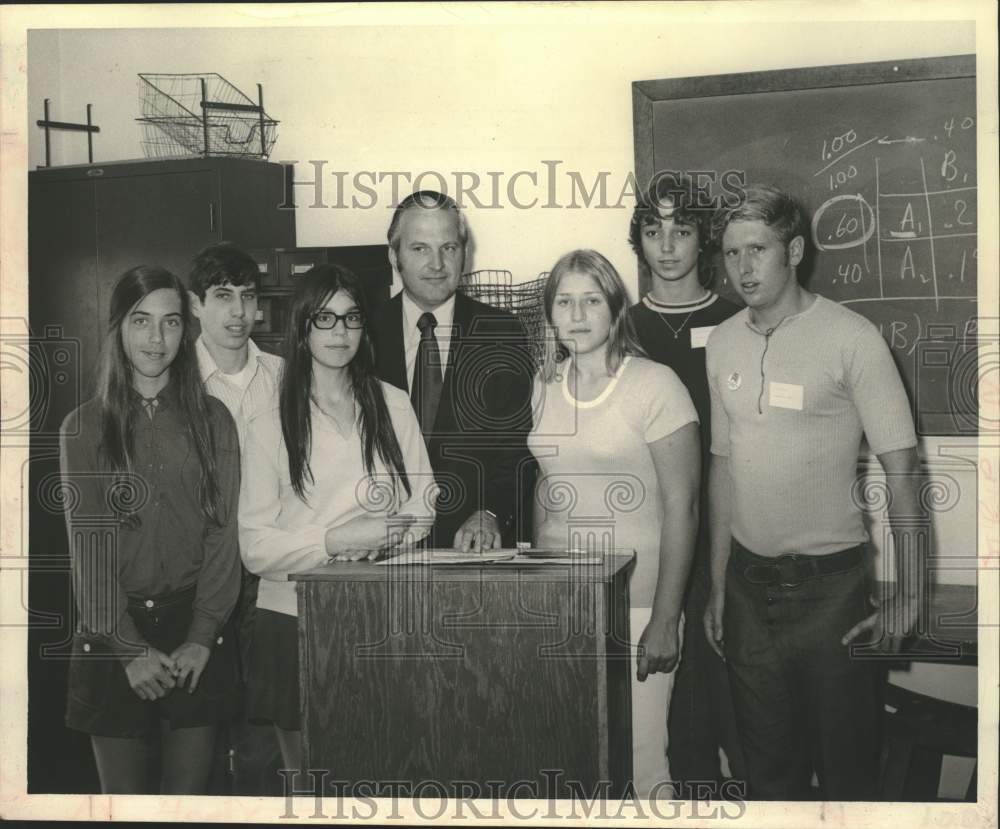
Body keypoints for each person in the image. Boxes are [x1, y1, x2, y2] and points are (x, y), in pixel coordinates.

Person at [704, 185, 924, 800]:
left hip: (832, 594)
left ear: (794, 250)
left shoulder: (852, 337)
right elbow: (723, 466)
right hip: (748, 593)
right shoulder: (721, 343)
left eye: (758, 249)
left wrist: (909, 594)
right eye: (730, 253)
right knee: (768, 781)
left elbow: (904, 472)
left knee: (850, 778)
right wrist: (719, 584)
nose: (743, 267)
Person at [238, 264, 436, 771]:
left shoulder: (392, 403)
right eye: (324, 319)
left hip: (382, 611)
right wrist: (334, 539)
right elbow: (255, 546)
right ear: (302, 328)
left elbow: (423, 505)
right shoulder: (268, 421)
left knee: (384, 773)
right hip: (294, 620)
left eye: (350, 319)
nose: (340, 332)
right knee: (309, 786)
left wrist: (386, 541)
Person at [59, 266, 241, 794]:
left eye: (171, 323)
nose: (156, 339)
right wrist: (128, 649)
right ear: (118, 327)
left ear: (186, 332)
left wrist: (203, 638)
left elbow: (222, 537)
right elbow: (88, 553)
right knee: (127, 809)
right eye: (141, 321)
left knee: (186, 806)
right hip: (113, 635)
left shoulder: (215, 421)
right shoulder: (83, 426)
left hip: (195, 634)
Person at [529, 249, 700, 798]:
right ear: (550, 314)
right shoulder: (542, 385)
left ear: (615, 308)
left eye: (591, 301)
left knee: (644, 763)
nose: (577, 315)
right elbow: (546, 484)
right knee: (571, 756)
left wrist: (667, 618)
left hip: (638, 602)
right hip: (562, 601)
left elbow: (684, 506)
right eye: (564, 301)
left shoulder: (656, 385)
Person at [627, 174, 745, 793]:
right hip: (651, 542)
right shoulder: (618, 328)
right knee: (655, 720)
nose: (667, 245)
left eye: (682, 230)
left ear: (704, 240)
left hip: (726, 540)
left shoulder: (738, 321)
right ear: (638, 242)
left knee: (725, 713)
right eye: (653, 231)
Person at [371, 190, 535, 551]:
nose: (436, 264)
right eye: (419, 249)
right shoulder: (362, 333)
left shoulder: (502, 332)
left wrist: (491, 511)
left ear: (465, 253)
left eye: (448, 248)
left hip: (472, 547)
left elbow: (519, 445)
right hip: (380, 545)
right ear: (393, 255)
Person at [188, 241, 285, 791]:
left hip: (267, 570)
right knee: (199, 725)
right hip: (202, 569)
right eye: (222, 296)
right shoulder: (177, 381)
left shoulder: (283, 375)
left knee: (262, 723)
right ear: (196, 304)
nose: (238, 312)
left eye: (247, 296)